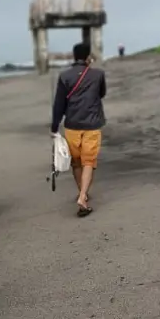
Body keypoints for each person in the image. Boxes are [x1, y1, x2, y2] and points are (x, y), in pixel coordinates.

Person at [50, 42, 106, 217]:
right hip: (92, 123)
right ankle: (82, 196)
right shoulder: (98, 75)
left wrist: (54, 126)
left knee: (76, 162)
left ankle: (83, 192)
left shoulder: (65, 76)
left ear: (73, 56)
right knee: (88, 161)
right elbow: (101, 94)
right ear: (88, 56)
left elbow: (59, 103)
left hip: (72, 124)